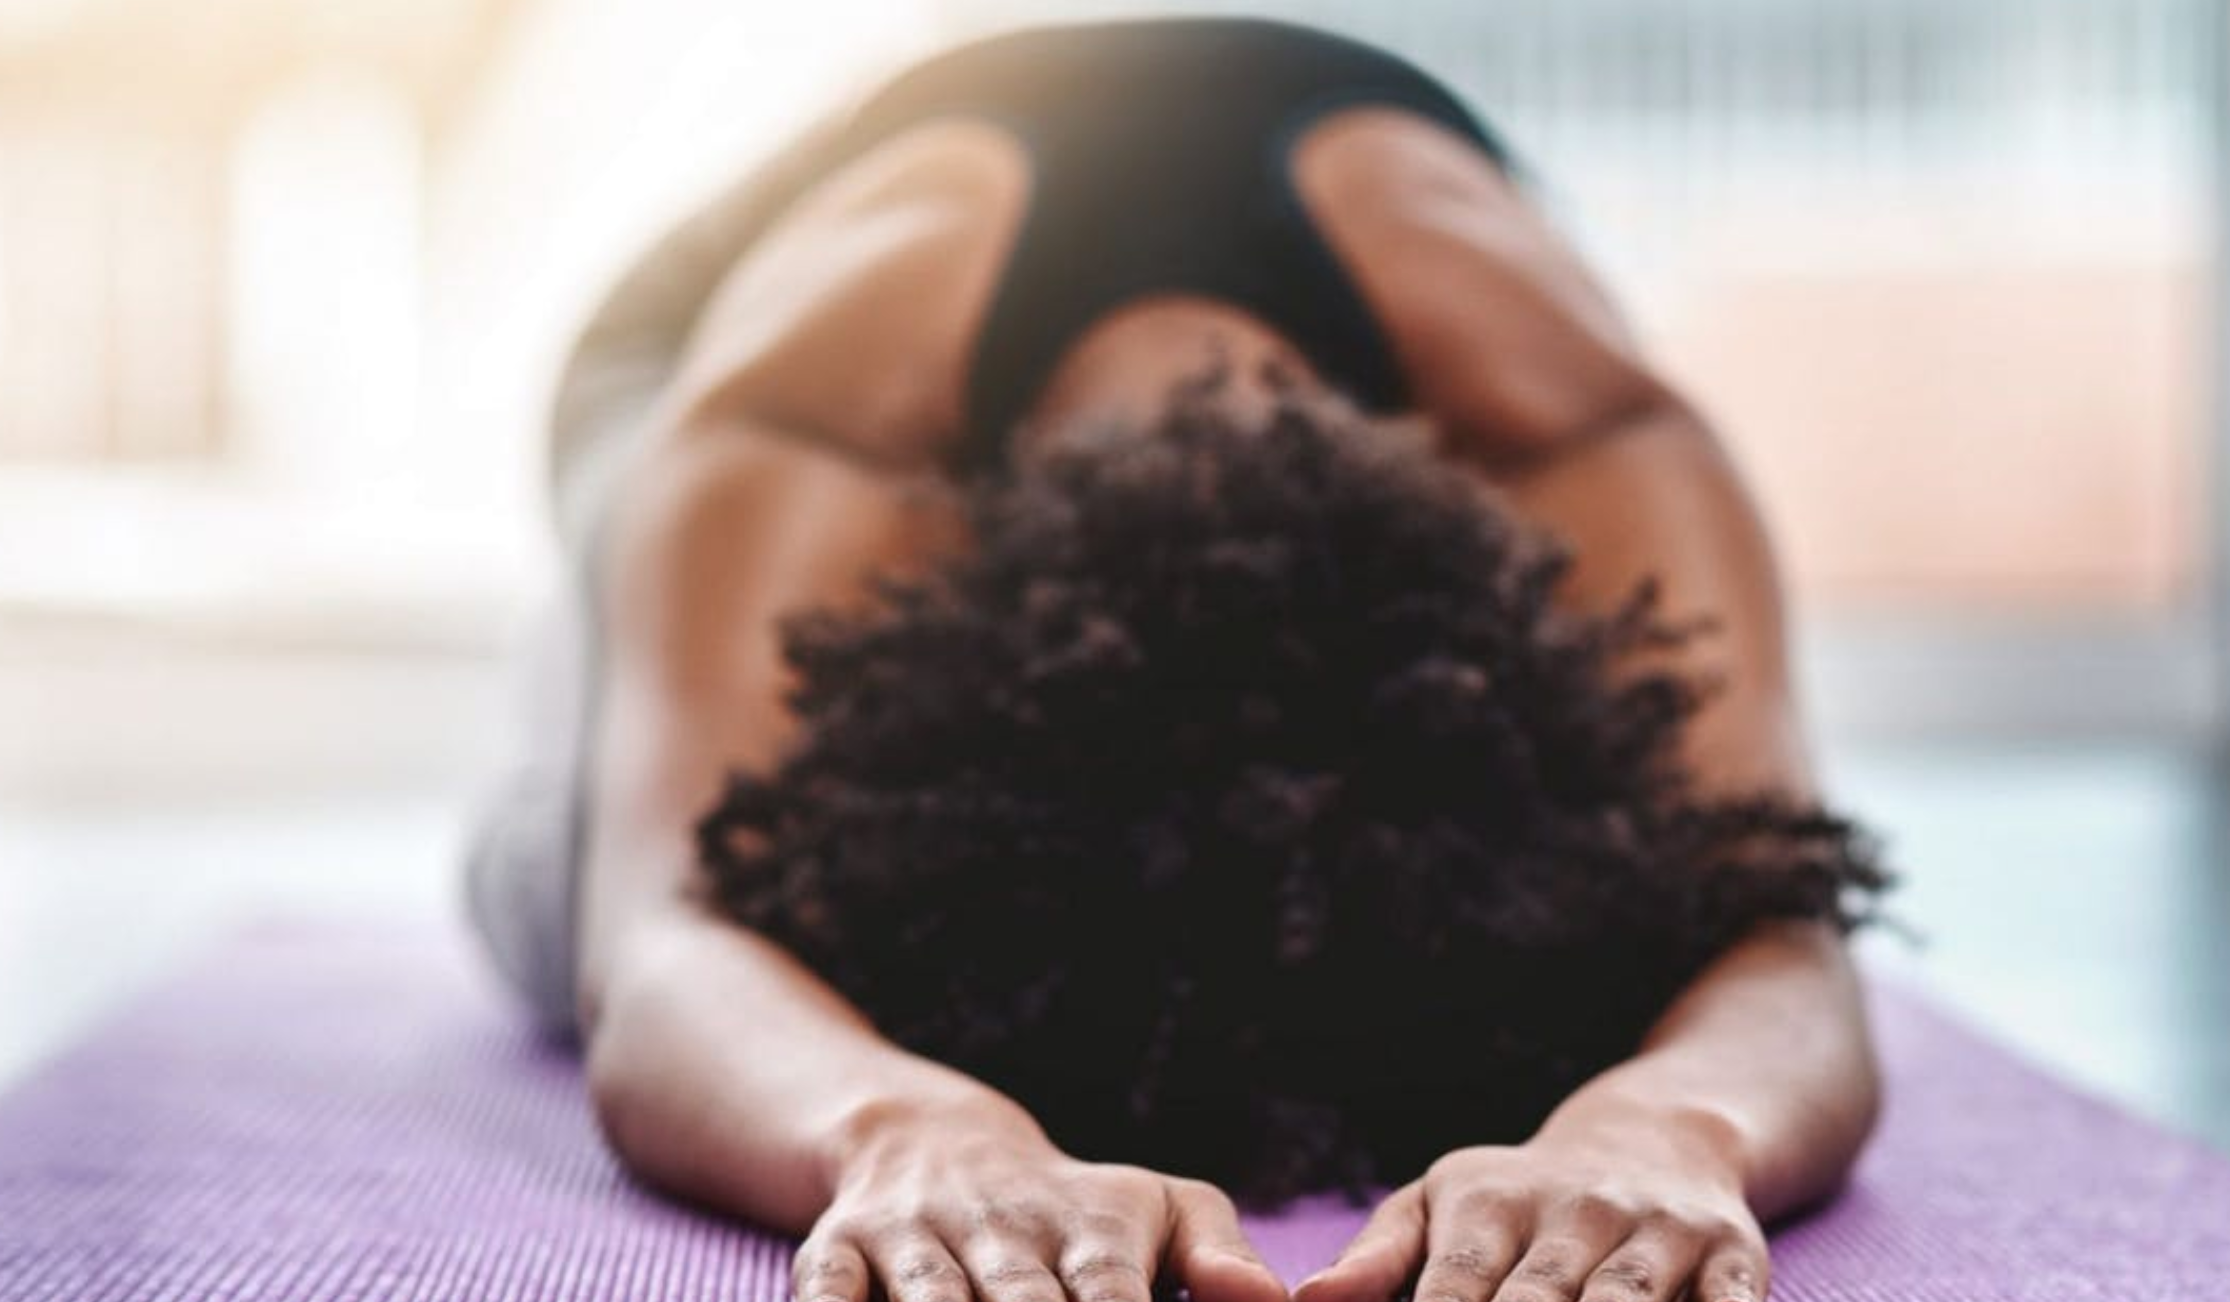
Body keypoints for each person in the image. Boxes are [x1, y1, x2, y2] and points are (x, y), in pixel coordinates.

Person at [464, 17, 1890, 1302]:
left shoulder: (1582, 436)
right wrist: (903, 1126)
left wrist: (1664, 1127)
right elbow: (662, 947)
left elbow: (1777, 933)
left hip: (1358, 283)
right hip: (718, 337)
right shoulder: (810, 424)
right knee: (564, 876)